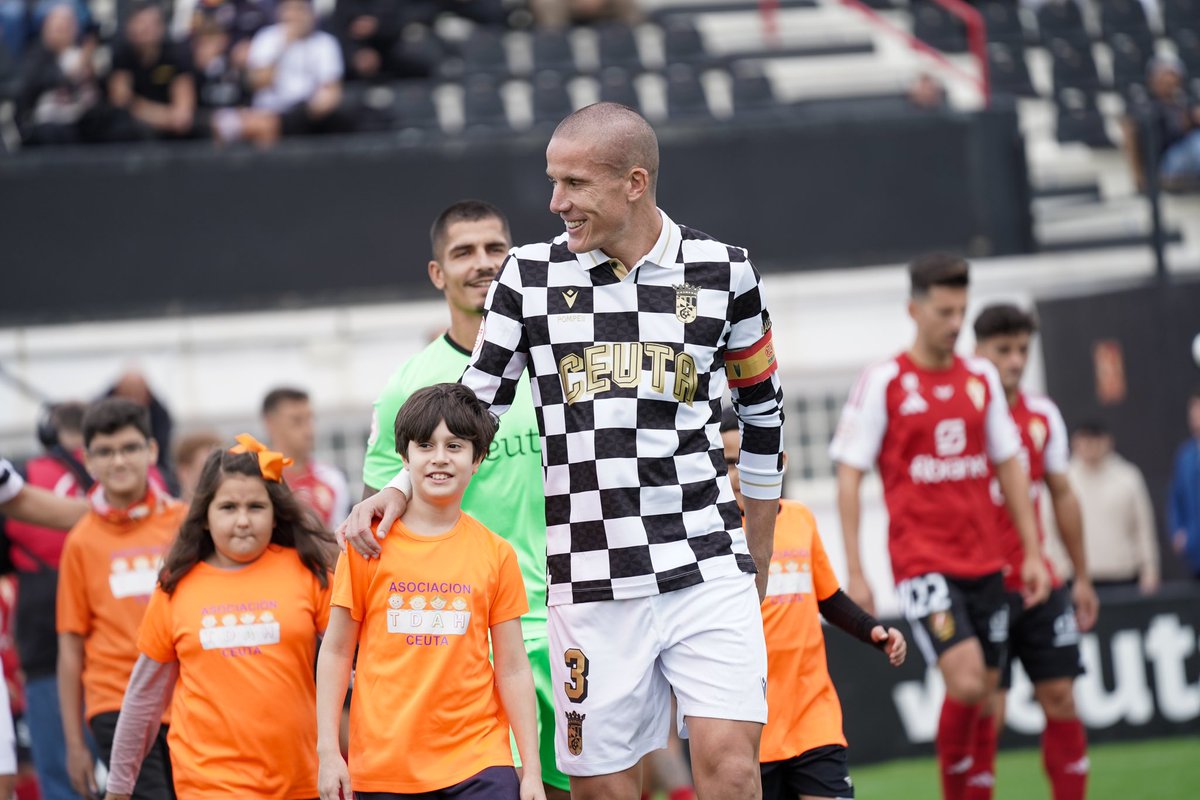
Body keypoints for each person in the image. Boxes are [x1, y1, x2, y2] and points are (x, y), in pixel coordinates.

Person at [343, 102, 786, 800]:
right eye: (553, 182)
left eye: (574, 184)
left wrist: (755, 554)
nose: (556, 203)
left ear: (634, 182)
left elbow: (763, 417)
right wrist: (399, 487)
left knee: (731, 769)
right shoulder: (527, 276)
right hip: (588, 579)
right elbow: (476, 403)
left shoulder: (725, 272)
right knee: (604, 791)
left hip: (706, 563)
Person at [361, 199, 571, 798]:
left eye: (494, 249)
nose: (482, 264)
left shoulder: (562, 362)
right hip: (474, 637)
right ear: (437, 273)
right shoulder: (408, 387)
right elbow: (385, 516)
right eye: (463, 252)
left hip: (576, 613)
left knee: (590, 788)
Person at [829, 253, 1050, 800]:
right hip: (922, 560)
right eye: (944, 311)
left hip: (987, 561)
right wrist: (857, 570)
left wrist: (1033, 553)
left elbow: (1009, 464)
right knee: (969, 680)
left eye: (961, 311)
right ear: (914, 309)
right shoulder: (884, 382)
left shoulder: (980, 378)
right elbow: (849, 475)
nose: (955, 324)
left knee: (989, 700)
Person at [317, 383, 544, 800]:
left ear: (477, 460)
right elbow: (334, 651)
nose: (440, 458)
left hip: (479, 762)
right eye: (426, 445)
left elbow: (512, 667)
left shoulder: (496, 554)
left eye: (455, 446)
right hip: (385, 769)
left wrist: (530, 770)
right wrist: (329, 752)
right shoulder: (367, 545)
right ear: (405, 458)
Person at [101, 434, 334, 799]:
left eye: (256, 507)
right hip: (208, 784)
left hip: (301, 782)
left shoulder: (309, 572)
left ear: (275, 515)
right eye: (228, 507)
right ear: (205, 517)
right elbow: (144, 699)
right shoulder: (175, 586)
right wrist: (118, 787)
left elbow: (351, 665)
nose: (242, 521)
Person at [720, 410, 906, 800]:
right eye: (728, 463)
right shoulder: (713, 536)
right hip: (749, 722)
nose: (739, 473)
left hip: (812, 714)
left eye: (749, 460)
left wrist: (872, 630)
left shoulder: (801, 519)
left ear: (779, 462)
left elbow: (828, 596)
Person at [971, 304, 1097, 800]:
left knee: (1061, 697)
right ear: (978, 352)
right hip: (982, 583)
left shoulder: (1043, 414)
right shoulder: (963, 415)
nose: (1016, 360)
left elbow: (1063, 494)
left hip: (1041, 582)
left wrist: (1081, 576)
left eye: (1023, 349)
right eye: (1004, 350)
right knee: (989, 713)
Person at [56, 398, 181, 800]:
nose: (119, 461)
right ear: (88, 461)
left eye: (129, 448)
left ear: (152, 451)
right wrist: (75, 745)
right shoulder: (80, 542)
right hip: (115, 705)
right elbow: (71, 647)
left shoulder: (184, 524)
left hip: (184, 701)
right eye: (105, 452)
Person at [4, 402, 90, 800]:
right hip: (109, 641)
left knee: (57, 779)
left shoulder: (25, 472)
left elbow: (23, 509)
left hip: (48, 638)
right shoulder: (138, 481)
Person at [213, 0, 344, 147]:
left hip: (304, 113)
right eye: (290, 10)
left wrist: (312, 108)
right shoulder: (267, 38)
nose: (295, 16)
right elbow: (260, 82)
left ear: (312, 15)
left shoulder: (325, 43)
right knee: (227, 123)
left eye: (300, 10)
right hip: (268, 111)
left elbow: (331, 91)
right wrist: (284, 44)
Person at [1067, 421, 1159, 596]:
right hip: (1078, 577)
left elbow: (1143, 527)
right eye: (1085, 440)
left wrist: (1150, 567)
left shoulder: (1128, 477)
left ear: (1108, 441)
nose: (1091, 447)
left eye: (1096, 440)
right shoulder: (1064, 480)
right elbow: (1050, 530)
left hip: (1122, 575)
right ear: (1075, 443)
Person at [262, 387, 350, 532]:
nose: (308, 430)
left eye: (310, 419)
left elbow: (339, 540)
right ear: (270, 423)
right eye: (296, 421)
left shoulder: (332, 479)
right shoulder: (256, 477)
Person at [14, 4, 103, 145]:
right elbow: (30, 87)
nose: (62, 33)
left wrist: (91, 69)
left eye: (66, 28)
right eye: (58, 29)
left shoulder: (81, 54)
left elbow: (100, 91)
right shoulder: (35, 55)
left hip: (81, 116)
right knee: (56, 133)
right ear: (45, 30)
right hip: (48, 121)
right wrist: (73, 70)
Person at [107, 1, 196, 139]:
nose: (145, 29)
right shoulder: (121, 55)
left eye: (151, 24)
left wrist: (166, 118)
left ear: (161, 27)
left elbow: (183, 115)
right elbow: (121, 100)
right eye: (140, 23)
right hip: (134, 131)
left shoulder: (175, 56)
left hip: (171, 132)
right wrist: (161, 117)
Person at [1168, 389, 1200, 578]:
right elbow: (1176, 497)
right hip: (1195, 551)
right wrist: (1179, 532)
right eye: (1193, 412)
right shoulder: (1185, 455)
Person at [170, 431, 223, 504]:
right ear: (184, 472)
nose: (215, 475)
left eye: (219, 467)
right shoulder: (166, 513)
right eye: (207, 468)